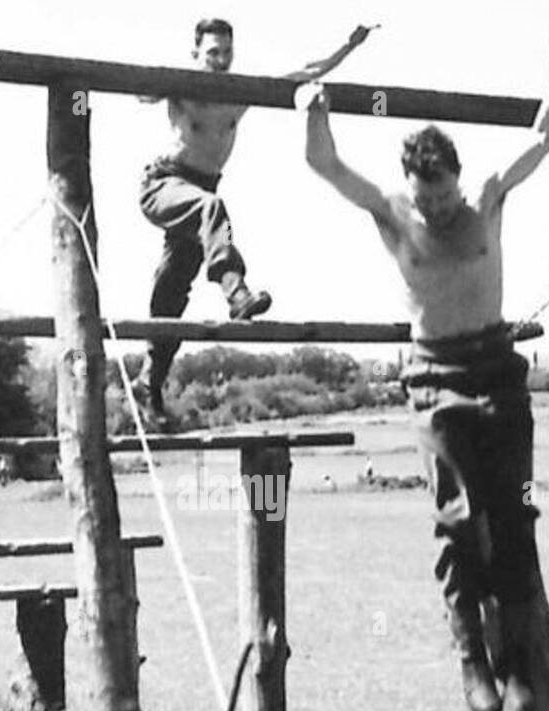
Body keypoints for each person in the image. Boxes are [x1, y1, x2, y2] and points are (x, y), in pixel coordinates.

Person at [301, 36, 549, 711]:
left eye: (444, 194)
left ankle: (522, 665)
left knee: (515, 521)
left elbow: (547, 134)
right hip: (433, 379)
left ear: (460, 179)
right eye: (426, 198)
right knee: (459, 523)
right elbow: (324, 163)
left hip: (498, 371)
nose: (435, 208)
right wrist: (314, 107)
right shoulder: (394, 213)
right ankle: (472, 658)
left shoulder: (487, 199)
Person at [133, 18, 377, 422]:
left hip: (200, 198)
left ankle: (150, 380)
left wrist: (349, 46)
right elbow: (139, 91)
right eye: (212, 54)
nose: (221, 61)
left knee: (172, 291)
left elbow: (306, 71)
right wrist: (161, 85)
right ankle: (235, 291)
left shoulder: (238, 93)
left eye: (227, 53)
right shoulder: (183, 84)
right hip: (164, 185)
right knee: (213, 209)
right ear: (195, 54)